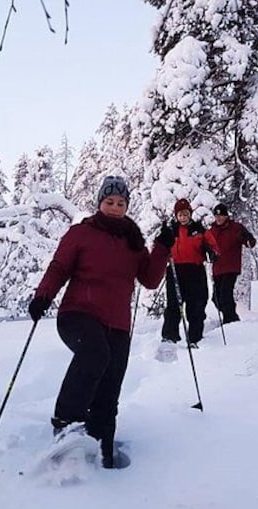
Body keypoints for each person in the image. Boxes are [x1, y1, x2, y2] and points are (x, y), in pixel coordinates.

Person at [27, 175, 173, 468]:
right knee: (95, 354)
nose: (115, 207)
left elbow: (150, 279)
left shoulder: (133, 242)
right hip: (78, 315)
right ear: (99, 203)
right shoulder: (81, 233)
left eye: (121, 203)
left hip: (117, 324)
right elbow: (59, 267)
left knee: (111, 380)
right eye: (110, 202)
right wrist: (43, 296)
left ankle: (102, 440)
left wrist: (162, 247)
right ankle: (66, 420)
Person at [160, 198, 220, 348]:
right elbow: (159, 247)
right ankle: (169, 336)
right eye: (180, 215)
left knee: (196, 305)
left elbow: (212, 245)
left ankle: (195, 337)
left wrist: (212, 253)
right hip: (175, 270)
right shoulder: (170, 230)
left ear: (190, 214)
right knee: (174, 305)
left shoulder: (198, 230)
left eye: (185, 214)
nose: (183, 218)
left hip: (195, 271)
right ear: (176, 216)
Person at [208, 203, 256, 324]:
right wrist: (209, 253)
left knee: (225, 294)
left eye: (221, 215)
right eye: (216, 216)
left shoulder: (236, 228)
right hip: (217, 268)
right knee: (216, 298)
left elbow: (251, 242)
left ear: (226, 216)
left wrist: (247, 238)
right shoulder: (211, 231)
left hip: (231, 267)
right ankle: (230, 315)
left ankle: (230, 320)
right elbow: (205, 246)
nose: (218, 218)